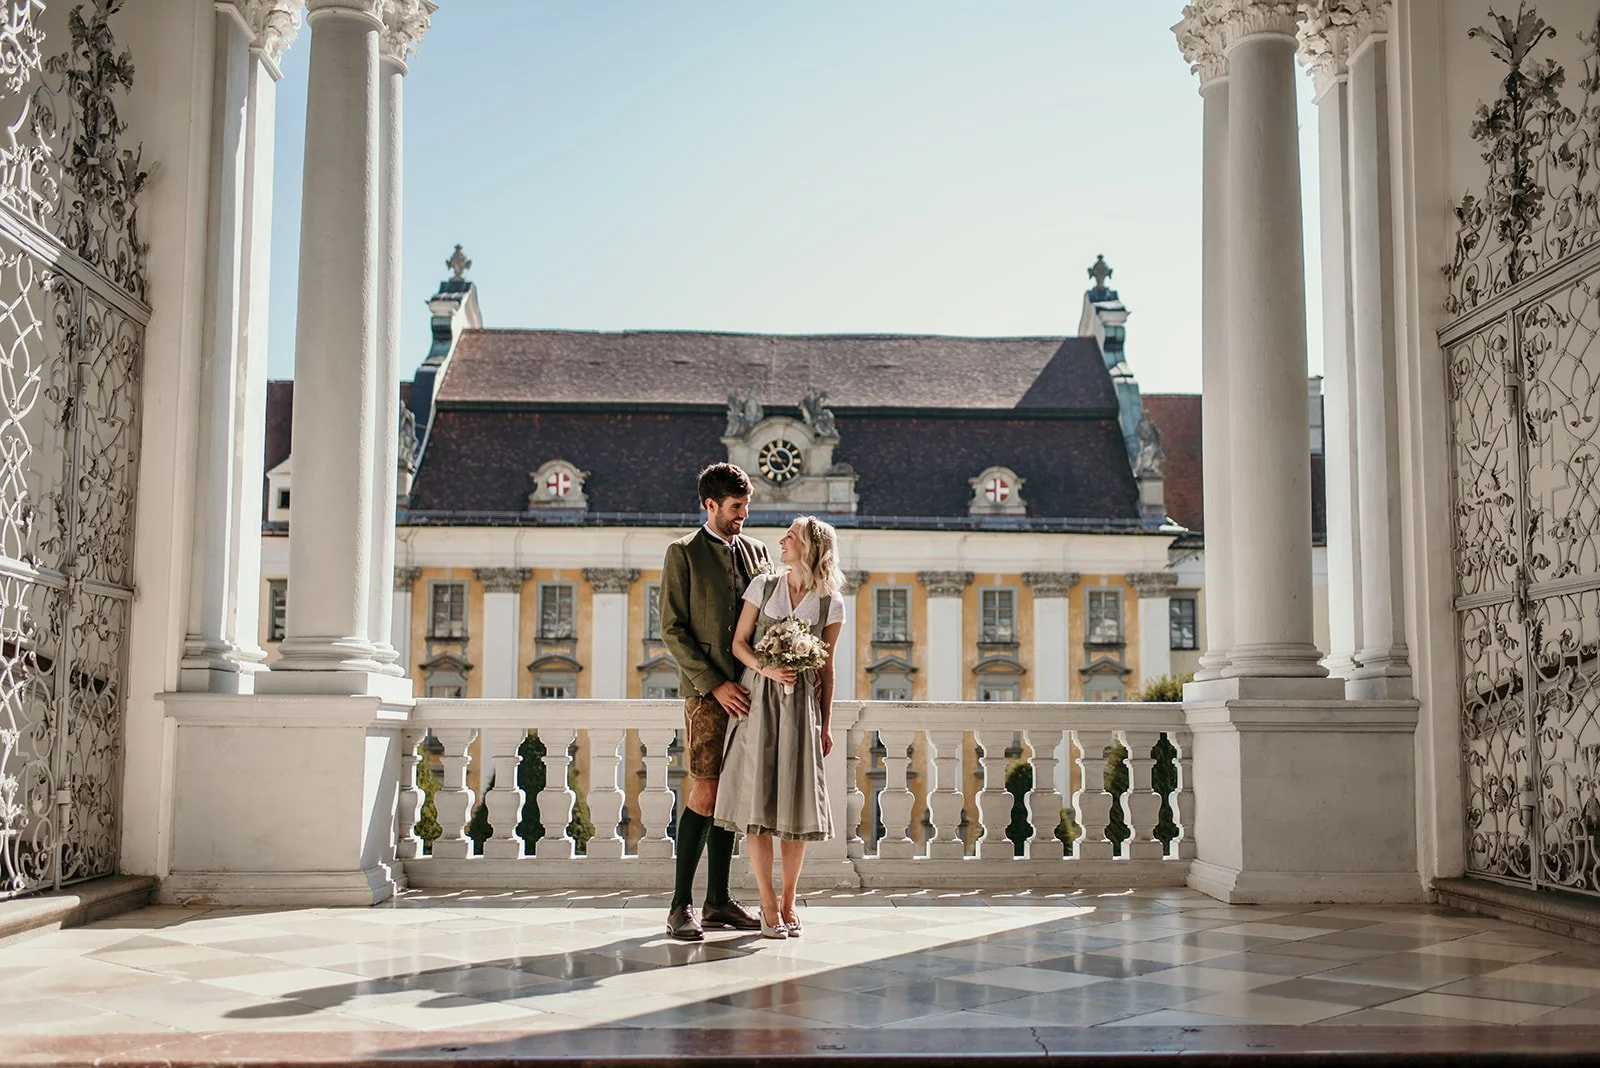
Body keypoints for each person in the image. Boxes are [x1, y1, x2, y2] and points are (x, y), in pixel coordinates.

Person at [714, 515, 842, 939]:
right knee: (758, 803)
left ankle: (789, 902)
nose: (781, 541)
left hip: (801, 709)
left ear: (809, 547)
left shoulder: (830, 602)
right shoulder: (763, 585)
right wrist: (765, 668)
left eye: (790, 536)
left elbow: (827, 670)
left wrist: (825, 724)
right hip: (757, 701)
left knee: (794, 804)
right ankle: (767, 904)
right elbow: (739, 644)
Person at [657, 463, 769, 940]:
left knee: (734, 794)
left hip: (753, 693)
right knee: (706, 792)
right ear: (711, 505)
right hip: (707, 695)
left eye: (746, 506)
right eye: (736, 506)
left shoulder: (759, 552)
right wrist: (714, 683)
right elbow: (672, 629)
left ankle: (719, 901)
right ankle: (679, 906)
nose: (744, 514)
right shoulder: (682, 553)